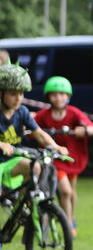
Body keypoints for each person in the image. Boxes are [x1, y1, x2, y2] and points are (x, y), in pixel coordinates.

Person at [32, 76, 93, 234]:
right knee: (66, 191)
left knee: (72, 191)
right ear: (48, 97)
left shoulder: (74, 113)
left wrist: (84, 130)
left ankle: (70, 219)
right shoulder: (44, 115)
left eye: (62, 94)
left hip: (71, 158)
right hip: (54, 159)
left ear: (68, 96)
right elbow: (31, 125)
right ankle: (67, 226)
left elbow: (92, 128)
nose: (58, 98)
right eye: (54, 94)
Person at [0, 62, 68, 196]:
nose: (18, 98)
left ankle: (22, 209)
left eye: (21, 93)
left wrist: (55, 146)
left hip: (13, 159)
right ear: (1, 93)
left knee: (35, 167)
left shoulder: (22, 111)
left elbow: (39, 134)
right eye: (13, 94)